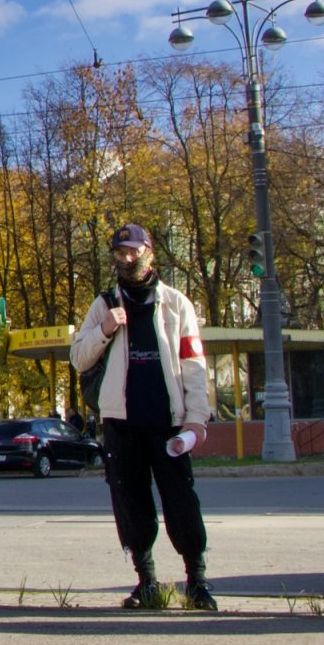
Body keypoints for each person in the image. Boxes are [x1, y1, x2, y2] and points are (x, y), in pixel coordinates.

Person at [70, 225, 215, 611]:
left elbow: (194, 364)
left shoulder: (176, 304)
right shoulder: (104, 304)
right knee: (131, 505)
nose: (125, 259)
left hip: (168, 422)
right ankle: (146, 581)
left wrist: (197, 418)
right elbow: (79, 357)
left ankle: (197, 582)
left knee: (181, 502)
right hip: (121, 423)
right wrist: (105, 329)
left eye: (132, 251)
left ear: (149, 252)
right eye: (119, 253)